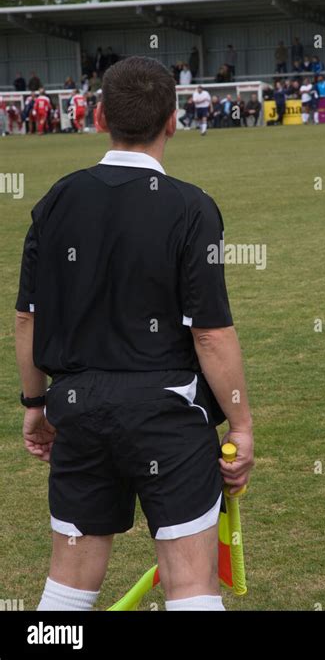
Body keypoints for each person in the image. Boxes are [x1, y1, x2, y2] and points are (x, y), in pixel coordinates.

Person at [15, 56, 254, 613]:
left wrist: (35, 404)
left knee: (67, 590)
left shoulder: (56, 201)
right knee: (191, 588)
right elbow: (211, 335)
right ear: (173, 120)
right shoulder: (192, 207)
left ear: (99, 117)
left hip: (77, 407)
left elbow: (27, 316)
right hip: (166, 413)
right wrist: (240, 425)